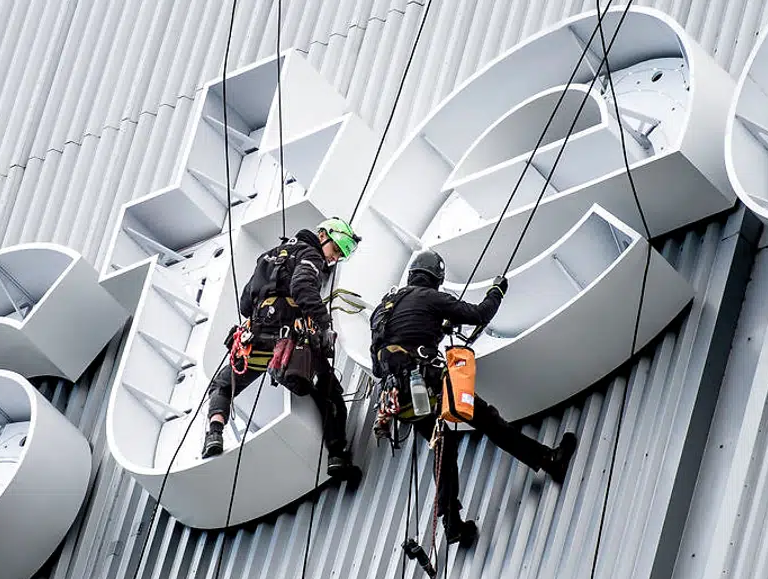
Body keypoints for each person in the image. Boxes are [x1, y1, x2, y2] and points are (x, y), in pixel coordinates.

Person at [370, 250, 577, 549]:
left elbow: (383, 360)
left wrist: (433, 332)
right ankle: (549, 460)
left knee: (443, 446)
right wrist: (496, 291)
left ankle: (452, 525)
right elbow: (479, 315)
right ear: (436, 280)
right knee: (489, 421)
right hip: (428, 386)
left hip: (399, 399)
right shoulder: (431, 298)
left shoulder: (383, 310)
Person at [202, 217, 362, 480]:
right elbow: (301, 287)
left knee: (222, 385)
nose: (333, 260)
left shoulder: (267, 257)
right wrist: (324, 325)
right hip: (292, 339)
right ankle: (336, 456)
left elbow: (245, 304)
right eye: (335, 250)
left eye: (340, 256)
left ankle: (214, 434)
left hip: (256, 337)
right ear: (322, 235)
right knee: (329, 390)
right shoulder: (311, 256)